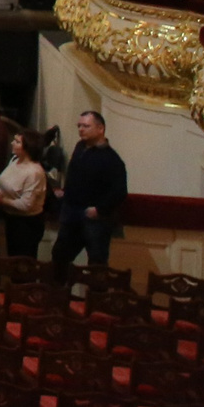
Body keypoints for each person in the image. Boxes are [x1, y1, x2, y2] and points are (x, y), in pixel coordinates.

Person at [52, 109, 126, 279]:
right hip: (71, 213)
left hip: (95, 219)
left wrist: (100, 210)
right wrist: (65, 192)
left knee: (97, 264)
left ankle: (96, 301)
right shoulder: (80, 148)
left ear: (100, 129)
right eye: (79, 126)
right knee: (59, 256)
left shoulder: (111, 159)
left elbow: (119, 191)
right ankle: (57, 298)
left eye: (86, 126)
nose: (81, 129)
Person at [0, 128, 50, 259]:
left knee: (22, 263)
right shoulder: (14, 160)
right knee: (11, 257)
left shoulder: (34, 172)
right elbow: (3, 182)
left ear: (28, 147)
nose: (12, 143)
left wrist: (3, 201)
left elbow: (27, 205)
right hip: (11, 218)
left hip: (26, 224)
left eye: (17, 142)